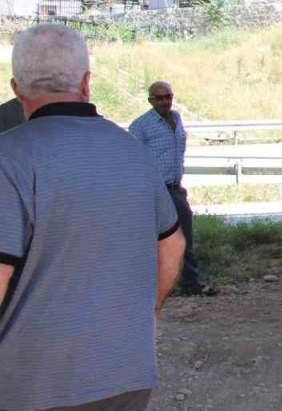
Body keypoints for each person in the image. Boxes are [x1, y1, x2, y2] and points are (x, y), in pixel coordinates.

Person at [0, 25, 186, 411]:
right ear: (86, 83)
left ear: (18, 91)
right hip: (127, 376)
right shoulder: (132, 149)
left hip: (32, 385)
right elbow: (171, 247)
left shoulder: (10, 158)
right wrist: (143, 314)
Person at [129, 81, 214, 297]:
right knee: (152, 240)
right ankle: (145, 287)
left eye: (168, 96)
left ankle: (190, 283)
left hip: (176, 188)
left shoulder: (176, 118)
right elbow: (133, 159)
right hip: (154, 190)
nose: (164, 101)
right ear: (150, 101)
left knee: (185, 237)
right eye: (159, 98)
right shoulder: (140, 126)